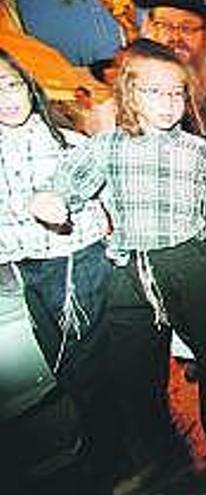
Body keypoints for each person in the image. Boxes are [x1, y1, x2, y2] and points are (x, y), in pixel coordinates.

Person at [31, 39, 206, 488]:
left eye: (176, 93)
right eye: (153, 92)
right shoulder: (108, 146)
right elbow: (72, 178)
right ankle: (160, 454)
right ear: (129, 93)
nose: (167, 103)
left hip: (189, 264)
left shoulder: (199, 152)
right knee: (134, 375)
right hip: (127, 270)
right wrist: (54, 199)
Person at [0, 47, 112, 494]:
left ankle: (109, 456)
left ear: (27, 85)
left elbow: (91, 196)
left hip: (74, 264)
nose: (5, 97)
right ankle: (102, 443)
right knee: (62, 368)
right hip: (24, 272)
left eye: (10, 84)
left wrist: (60, 206)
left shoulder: (68, 144)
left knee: (83, 368)